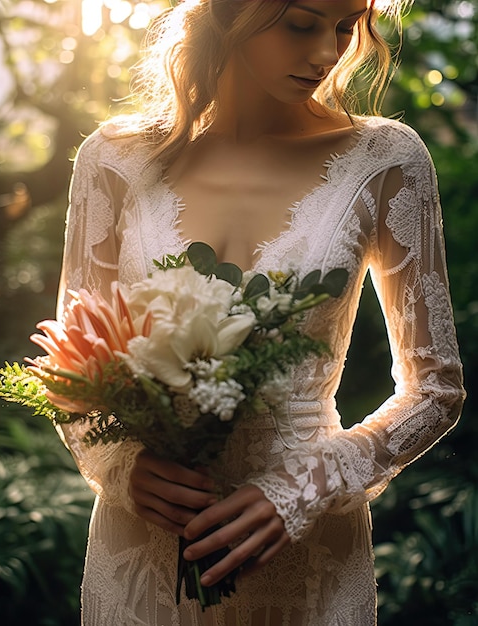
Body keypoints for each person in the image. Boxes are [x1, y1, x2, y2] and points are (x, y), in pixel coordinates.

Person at [55, 0, 466, 624]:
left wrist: (302, 489)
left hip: (306, 555)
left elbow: (436, 388)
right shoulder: (113, 160)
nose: (328, 53)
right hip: (145, 549)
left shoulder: (384, 159)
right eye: (303, 22)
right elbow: (73, 367)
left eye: (346, 26)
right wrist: (120, 466)